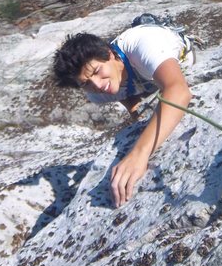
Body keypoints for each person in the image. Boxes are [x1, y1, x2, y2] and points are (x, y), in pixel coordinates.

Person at [52, 23, 195, 208]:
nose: (97, 84)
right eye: (85, 83)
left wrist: (139, 153)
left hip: (178, 59)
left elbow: (178, 90)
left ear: (109, 54)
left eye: (96, 71)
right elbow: (123, 93)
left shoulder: (143, 45)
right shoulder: (95, 94)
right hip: (142, 78)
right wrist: (135, 110)